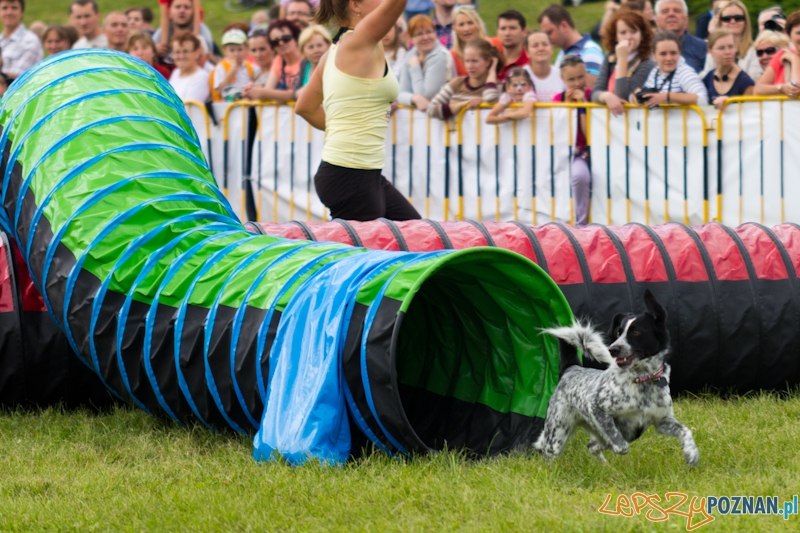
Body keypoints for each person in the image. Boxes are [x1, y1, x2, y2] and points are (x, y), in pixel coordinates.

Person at [295, 0, 421, 221]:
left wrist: (345, 126)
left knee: (417, 235)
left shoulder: (334, 50)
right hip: (350, 175)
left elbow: (304, 106)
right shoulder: (359, 39)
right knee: (368, 253)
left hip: (359, 173)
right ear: (355, 5)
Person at [592, 9, 656, 116]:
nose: (628, 37)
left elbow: (623, 97)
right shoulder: (610, 57)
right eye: (623, 32)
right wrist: (606, 96)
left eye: (633, 31)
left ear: (642, 35)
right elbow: (596, 92)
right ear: (616, 36)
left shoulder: (647, 63)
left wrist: (622, 58)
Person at [553, 55, 592, 227]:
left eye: (580, 77)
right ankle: (577, 224)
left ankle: (583, 223)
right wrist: (567, 107)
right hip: (567, 152)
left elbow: (589, 135)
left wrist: (582, 107)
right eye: (571, 79)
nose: (577, 83)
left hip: (589, 150)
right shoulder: (557, 99)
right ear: (562, 79)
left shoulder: (592, 95)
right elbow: (561, 134)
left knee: (581, 176)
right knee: (579, 176)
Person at [428, 37, 501, 120]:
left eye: (474, 61)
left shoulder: (496, 86)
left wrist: (492, 72)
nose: (470, 66)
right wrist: (463, 104)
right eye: (467, 61)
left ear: (488, 62)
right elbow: (431, 109)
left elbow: (490, 98)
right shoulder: (456, 83)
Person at [632, 31, 709, 107]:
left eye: (673, 53)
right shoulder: (654, 71)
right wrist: (636, 97)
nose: (669, 58)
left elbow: (702, 99)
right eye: (663, 54)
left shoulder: (684, 72)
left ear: (679, 53)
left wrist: (668, 97)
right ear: (654, 56)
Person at [397, 14, 453, 111]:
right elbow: (400, 93)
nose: (425, 37)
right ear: (411, 38)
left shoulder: (440, 56)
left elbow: (424, 96)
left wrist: (415, 67)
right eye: (419, 34)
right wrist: (414, 98)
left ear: (435, 33)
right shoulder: (411, 54)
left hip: (443, 118)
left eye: (429, 32)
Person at [538, 4, 603, 88]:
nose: (547, 38)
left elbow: (589, 93)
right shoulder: (562, 52)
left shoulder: (590, 51)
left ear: (564, 26)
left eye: (549, 33)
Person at [243, 19, 303, 103]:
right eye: (275, 42)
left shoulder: (308, 58)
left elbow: (305, 94)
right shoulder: (279, 59)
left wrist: (261, 92)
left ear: (295, 38)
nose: (281, 43)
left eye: (286, 38)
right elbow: (268, 91)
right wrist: (253, 91)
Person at [702, 1, 760, 81]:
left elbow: (755, 81)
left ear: (746, 22)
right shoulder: (713, 49)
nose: (732, 21)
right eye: (726, 19)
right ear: (720, 22)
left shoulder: (755, 50)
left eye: (738, 18)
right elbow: (706, 78)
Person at [702, 29, 754, 111]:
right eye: (721, 48)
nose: (727, 52)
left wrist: (730, 103)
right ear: (710, 51)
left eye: (731, 47)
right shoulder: (707, 79)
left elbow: (750, 115)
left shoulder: (745, 82)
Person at [754, 11, 800, 99]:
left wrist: (795, 60)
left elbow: (796, 87)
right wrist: (781, 88)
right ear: (789, 36)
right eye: (799, 33)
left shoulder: (790, 56)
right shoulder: (782, 55)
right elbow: (758, 90)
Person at [654, 0, 705, 73]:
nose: (671, 14)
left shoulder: (702, 47)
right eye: (665, 11)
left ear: (686, 19)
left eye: (677, 11)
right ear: (657, 21)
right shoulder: (648, 50)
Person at [210, 29, 258, 102]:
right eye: (232, 50)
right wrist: (230, 73)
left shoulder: (250, 67)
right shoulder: (221, 67)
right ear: (225, 50)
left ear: (245, 49)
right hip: (229, 107)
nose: (236, 54)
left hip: (248, 105)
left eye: (240, 49)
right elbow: (218, 91)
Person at [0, 0, 43, 80]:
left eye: (14, 8)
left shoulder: (30, 41)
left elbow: (16, 79)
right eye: (4, 8)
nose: (9, 12)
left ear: (22, 12)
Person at [450, 6, 492, 77]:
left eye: (470, 23)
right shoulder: (452, 56)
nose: (466, 29)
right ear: (454, 29)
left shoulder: (494, 45)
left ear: (478, 24)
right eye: (461, 24)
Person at [524, 30, 565, 103]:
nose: (541, 49)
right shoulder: (521, 75)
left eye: (545, 44)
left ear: (551, 49)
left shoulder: (563, 75)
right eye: (535, 45)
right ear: (527, 53)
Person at [168, 31, 209, 102]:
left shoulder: (201, 77)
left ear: (196, 53)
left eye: (185, 51)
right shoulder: (176, 72)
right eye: (177, 52)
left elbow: (189, 108)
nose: (181, 56)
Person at [293, 24, 332, 95]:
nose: (316, 50)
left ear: (328, 45)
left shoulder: (334, 64)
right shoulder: (304, 63)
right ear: (302, 51)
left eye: (319, 45)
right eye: (311, 47)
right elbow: (295, 93)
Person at [496, 10, 527, 80]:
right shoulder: (491, 62)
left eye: (512, 28)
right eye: (503, 28)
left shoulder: (531, 63)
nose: (507, 33)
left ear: (524, 32)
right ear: (497, 32)